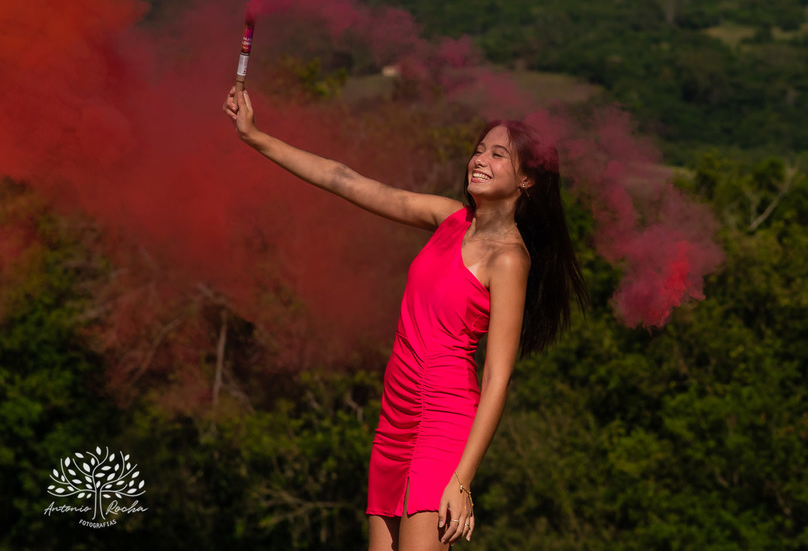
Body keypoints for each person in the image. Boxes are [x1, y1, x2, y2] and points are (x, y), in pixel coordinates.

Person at [223, 86, 588, 550]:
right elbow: (346, 179)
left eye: (498, 155)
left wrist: (462, 479)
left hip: (444, 419)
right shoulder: (449, 218)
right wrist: (256, 137)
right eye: (479, 150)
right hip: (395, 416)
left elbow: (498, 375)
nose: (480, 159)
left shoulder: (510, 260)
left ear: (527, 180)